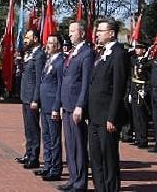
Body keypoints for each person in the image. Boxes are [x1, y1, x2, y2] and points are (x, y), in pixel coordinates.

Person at [87, 19, 128, 192]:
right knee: (95, 157)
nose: (97, 34)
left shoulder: (119, 54)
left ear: (111, 33)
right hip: (95, 115)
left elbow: (119, 88)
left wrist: (112, 117)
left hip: (107, 118)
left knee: (109, 158)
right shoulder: (101, 54)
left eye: (101, 31)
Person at [58, 20, 93, 192]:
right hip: (67, 106)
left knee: (79, 145)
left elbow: (86, 83)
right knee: (69, 144)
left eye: (73, 31)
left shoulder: (87, 53)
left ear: (82, 33)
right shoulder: (73, 53)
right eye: (69, 31)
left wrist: (80, 105)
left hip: (76, 107)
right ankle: (73, 178)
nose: (70, 34)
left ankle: (80, 183)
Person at [34, 34, 65, 181]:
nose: (48, 45)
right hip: (44, 105)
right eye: (47, 42)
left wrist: (56, 106)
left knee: (54, 139)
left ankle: (56, 168)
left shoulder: (60, 61)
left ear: (58, 45)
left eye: (51, 43)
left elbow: (60, 86)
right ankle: (47, 165)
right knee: (46, 138)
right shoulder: (49, 60)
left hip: (52, 105)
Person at [15, 29, 45, 169]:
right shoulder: (29, 53)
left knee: (33, 127)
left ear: (36, 39)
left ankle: (34, 156)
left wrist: (36, 99)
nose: (25, 39)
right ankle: (28, 153)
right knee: (28, 128)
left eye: (28, 37)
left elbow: (39, 78)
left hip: (32, 96)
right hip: (25, 95)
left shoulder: (39, 55)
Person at [129, 42, 150, 149]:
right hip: (134, 89)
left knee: (142, 116)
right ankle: (138, 137)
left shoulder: (147, 62)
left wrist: (145, 90)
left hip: (141, 89)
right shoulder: (134, 60)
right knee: (135, 115)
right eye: (136, 48)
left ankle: (143, 139)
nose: (136, 50)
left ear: (144, 50)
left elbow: (148, 78)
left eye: (139, 48)